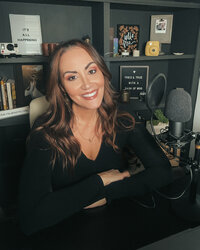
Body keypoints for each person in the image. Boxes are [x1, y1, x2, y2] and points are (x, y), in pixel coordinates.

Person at [19, 39, 172, 236]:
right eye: (72, 77)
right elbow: (30, 218)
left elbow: (163, 172)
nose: (87, 84)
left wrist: (104, 192)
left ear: (102, 72)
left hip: (115, 227)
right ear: (62, 87)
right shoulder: (45, 134)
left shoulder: (122, 120)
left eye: (91, 71)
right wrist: (100, 181)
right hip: (66, 233)